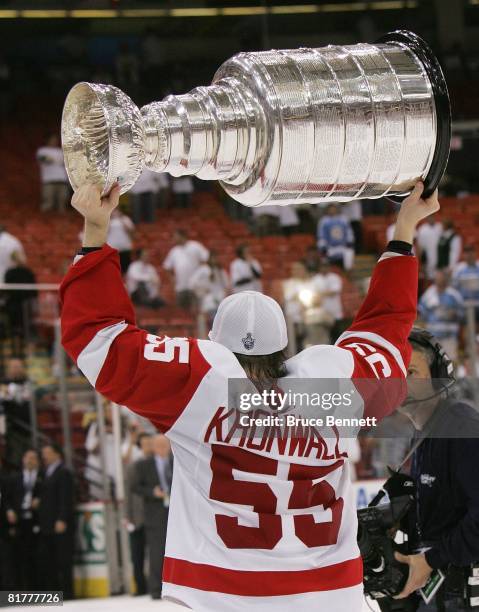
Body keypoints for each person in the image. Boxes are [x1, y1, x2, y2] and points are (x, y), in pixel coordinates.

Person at [61, 181, 437, 612]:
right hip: (332, 598)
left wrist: (95, 229)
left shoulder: (201, 385)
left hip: (219, 598)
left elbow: (97, 339)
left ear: (216, 342)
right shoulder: (332, 388)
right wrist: (405, 228)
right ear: (284, 348)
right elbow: (386, 330)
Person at [393, 329, 479, 611]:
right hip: (440, 590)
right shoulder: (421, 433)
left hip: (461, 591)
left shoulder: (460, 426)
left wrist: (431, 559)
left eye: (411, 372)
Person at [132, 434, 172, 599]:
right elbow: (135, 486)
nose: (162, 449)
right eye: (159, 446)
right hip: (155, 513)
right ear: (153, 448)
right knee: (156, 551)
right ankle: (156, 588)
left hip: (176, 510)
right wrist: (152, 492)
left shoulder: (177, 462)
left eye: (165, 445)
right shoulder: (143, 465)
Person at [37, 444, 75, 600]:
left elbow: (66, 498)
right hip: (47, 523)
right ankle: (55, 592)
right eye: (43, 453)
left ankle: (67, 592)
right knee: (50, 558)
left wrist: (62, 518)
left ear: (57, 454)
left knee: (63, 559)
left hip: (59, 522)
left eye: (48, 453)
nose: (44, 456)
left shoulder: (63, 472)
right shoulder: (45, 472)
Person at [6, 449, 42, 590]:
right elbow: (6, 498)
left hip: (37, 522)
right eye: (27, 457)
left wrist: (40, 500)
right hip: (19, 523)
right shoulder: (14, 478)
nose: (29, 460)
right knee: (19, 558)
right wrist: (9, 511)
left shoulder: (43, 477)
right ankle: (22, 592)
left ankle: (40, 592)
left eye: (33, 458)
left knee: (38, 559)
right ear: (22, 459)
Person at [125, 433, 154, 597]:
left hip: (154, 515)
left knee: (155, 553)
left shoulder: (161, 463)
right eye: (145, 443)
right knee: (137, 555)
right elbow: (129, 493)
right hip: (137, 517)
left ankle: (155, 583)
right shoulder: (133, 466)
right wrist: (127, 515)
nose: (148, 446)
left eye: (150, 442)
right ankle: (140, 586)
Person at [418, 270, 464, 361]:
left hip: (449, 336)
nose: (440, 280)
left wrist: (454, 314)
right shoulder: (428, 294)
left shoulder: (454, 295)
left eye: (442, 278)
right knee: (433, 363)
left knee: (451, 363)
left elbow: (462, 315)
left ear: (446, 279)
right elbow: (422, 314)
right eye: (438, 278)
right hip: (433, 337)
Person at [163, 229, 209, 309]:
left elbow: (206, 258)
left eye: (175, 236)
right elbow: (167, 267)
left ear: (182, 236)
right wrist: (172, 279)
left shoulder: (195, 245)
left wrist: (201, 276)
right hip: (181, 286)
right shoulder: (174, 251)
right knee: (182, 311)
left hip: (195, 286)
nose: (174, 239)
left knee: (196, 308)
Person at [188, 251, 229, 327]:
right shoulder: (204, 269)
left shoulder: (220, 271)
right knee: (212, 316)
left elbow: (226, 285)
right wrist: (202, 289)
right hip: (208, 298)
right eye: (212, 258)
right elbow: (192, 283)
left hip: (220, 297)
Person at [36, 134, 70, 213]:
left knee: (63, 202)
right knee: (48, 203)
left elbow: (67, 162)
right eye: (52, 139)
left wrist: (55, 160)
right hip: (49, 180)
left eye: (55, 140)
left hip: (62, 180)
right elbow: (44, 159)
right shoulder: (42, 150)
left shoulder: (60, 151)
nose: (54, 141)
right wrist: (58, 160)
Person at [317, 204, 355, 270]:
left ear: (337, 209)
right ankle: (327, 273)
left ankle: (348, 274)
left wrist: (349, 242)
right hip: (330, 247)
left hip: (343, 246)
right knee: (323, 258)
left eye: (334, 209)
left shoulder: (343, 219)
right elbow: (321, 235)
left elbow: (349, 231)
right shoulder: (324, 221)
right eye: (330, 209)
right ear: (327, 210)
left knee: (349, 253)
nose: (332, 211)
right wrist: (323, 247)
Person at [453, 244, 479, 320]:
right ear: (464, 255)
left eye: (471, 253)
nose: (470, 255)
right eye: (467, 253)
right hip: (463, 304)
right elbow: (454, 287)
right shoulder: (458, 269)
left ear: (475, 253)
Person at [107, 209, 135, 274]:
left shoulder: (125, 219)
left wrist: (121, 219)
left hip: (125, 248)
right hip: (112, 249)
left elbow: (131, 231)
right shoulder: (107, 220)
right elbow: (104, 232)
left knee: (125, 268)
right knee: (113, 268)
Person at [416, 215, 443, 280]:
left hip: (439, 255)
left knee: (439, 276)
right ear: (427, 218)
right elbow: (420, 246)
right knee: (428, 277)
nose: (431, 219)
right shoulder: (422, 229)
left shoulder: (440, 227)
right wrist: (422, 261)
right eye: (429, 217)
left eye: (432, 217)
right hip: (427, 257)